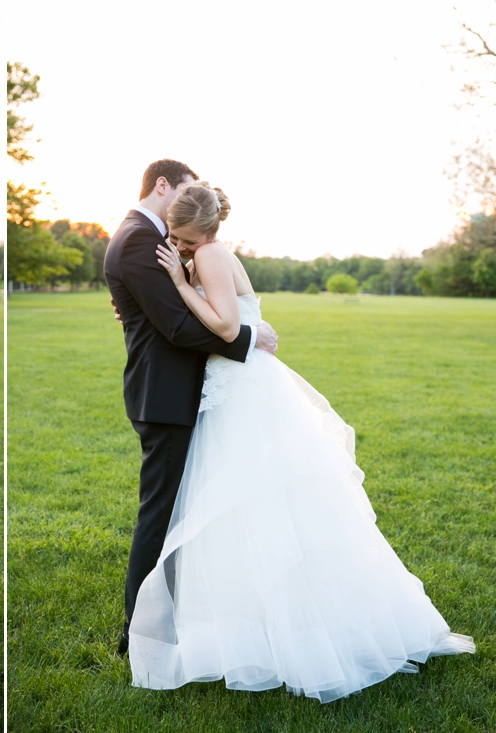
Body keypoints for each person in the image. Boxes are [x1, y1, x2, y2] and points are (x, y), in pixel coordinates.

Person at [128, 181, 475, 702]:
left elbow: (225, 326)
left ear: (201, 231)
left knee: (260, 507)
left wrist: (178, 285)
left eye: (179, 236)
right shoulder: (209, 253)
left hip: (242, 395)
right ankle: (248, 627)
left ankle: (294, 631)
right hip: (234, 387)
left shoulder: (213, 256)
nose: (173, 244)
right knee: (242, 514)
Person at [103, 159, 279, 655]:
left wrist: (185, 291)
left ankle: (177, 616)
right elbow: (177, 326)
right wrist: (247, 337)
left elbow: (171, 311)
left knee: (182, 509)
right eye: (184, 189)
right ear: (164, 185)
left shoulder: (149, 236)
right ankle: (139, 633)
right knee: (160, 515)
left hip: (179, 390)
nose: (187, 200)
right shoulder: (140, 237)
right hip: (166, 394)